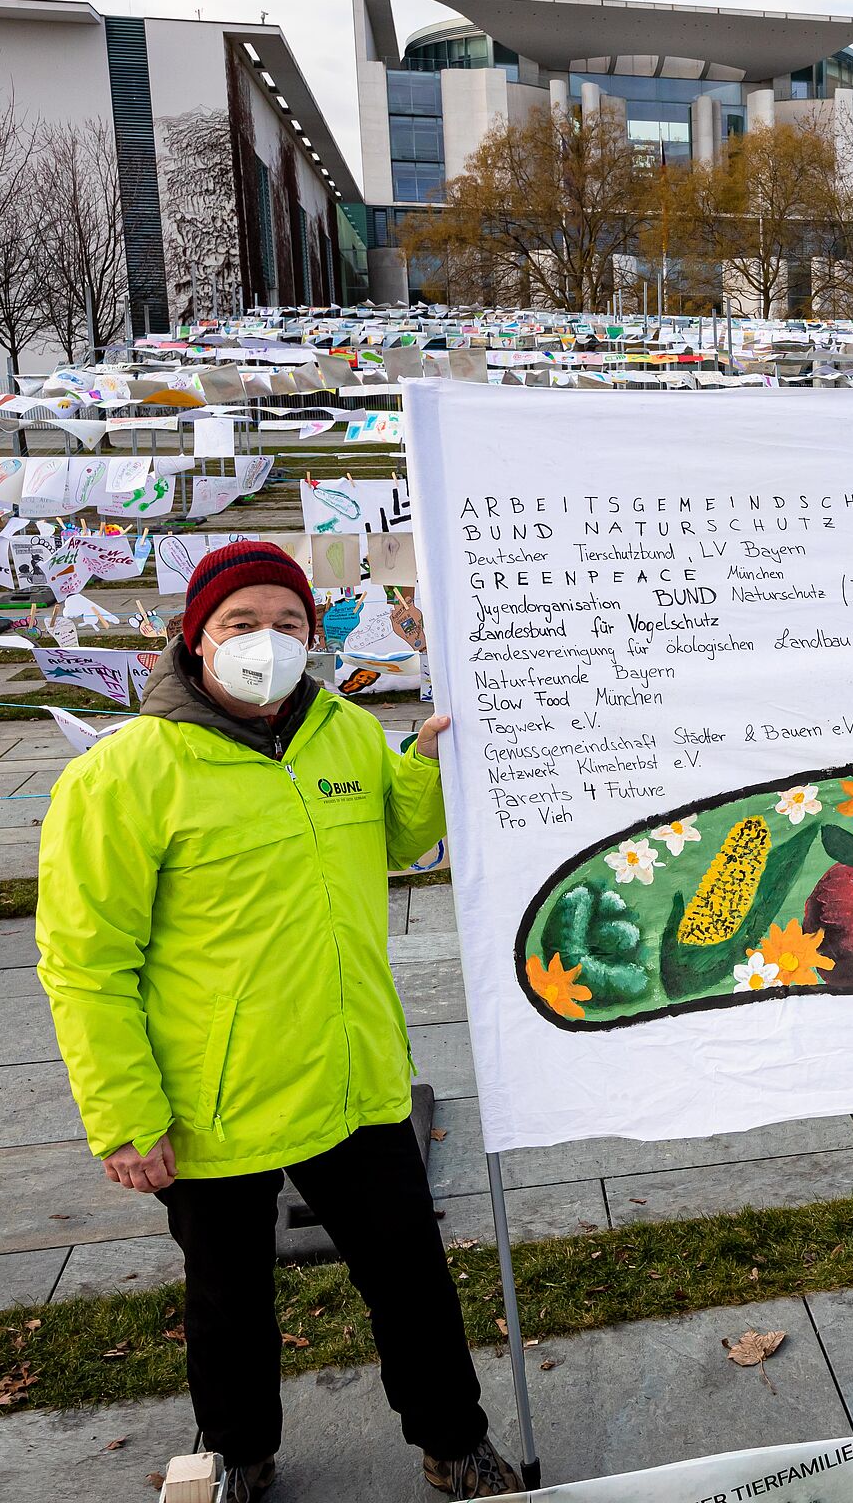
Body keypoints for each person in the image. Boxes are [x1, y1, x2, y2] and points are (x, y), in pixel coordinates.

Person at [36, 541, 521, 1500]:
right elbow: (84, 964)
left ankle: (455, 1444)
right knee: (230, 1304)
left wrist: (423, 764)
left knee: (413, 1283)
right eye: (241, 624)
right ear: (196, 638)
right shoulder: (124, 775)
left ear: (315, 634)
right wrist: (126, 1116)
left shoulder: (340, 730)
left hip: (352, 1078)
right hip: (213, 1105)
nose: (268, 642)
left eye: (289, 624)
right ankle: (240, 1456)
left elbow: (399, 836)